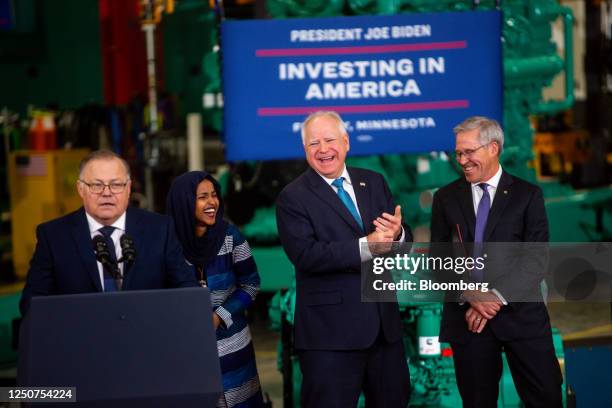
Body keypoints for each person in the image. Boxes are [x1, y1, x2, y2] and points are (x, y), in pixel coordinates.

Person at [276, 110, 412, 407]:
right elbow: (306, 255)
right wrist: (368, 245)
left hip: (384, 333)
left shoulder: (374, 182)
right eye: (314, 144)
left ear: (346, 142)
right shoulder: (293, 197)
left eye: (329, 140)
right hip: (330, 339)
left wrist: (398, 233)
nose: (323, 150)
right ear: (305, 150)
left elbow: (401, 244)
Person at [430, 116, 562, 407]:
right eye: (458, 153)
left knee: (547, 397)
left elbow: (535, 258)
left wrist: (495, 297)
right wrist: (471, 295)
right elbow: (438, 260)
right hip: (468, 322)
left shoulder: (528, 196)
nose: (462, 160)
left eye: (469, 152)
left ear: (493, 148)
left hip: (522, 318)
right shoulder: (445, 198)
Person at [19, 149, 198, 316]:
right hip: (81, 342)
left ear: (128, 188)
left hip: (146, 338)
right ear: (80, 189)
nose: (107, 193)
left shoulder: (161, 229)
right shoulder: (53, 236)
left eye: (116, 184)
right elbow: (31, 304)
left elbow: (188, 290)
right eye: (96, 185)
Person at [166, 171, 264, 408]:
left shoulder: (230, 237)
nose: (212, 202)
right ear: (183, 202)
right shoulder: (167, 243)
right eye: (202, 197)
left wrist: (220, 315)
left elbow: (251, 283)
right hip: (187, 347)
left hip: (233, 345)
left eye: (214, 195)